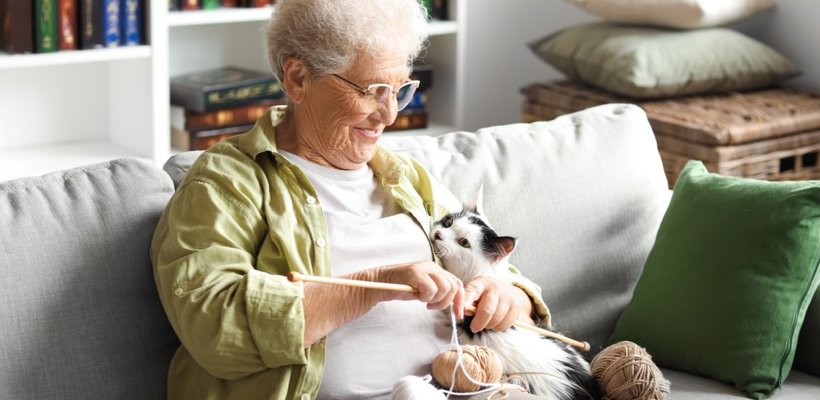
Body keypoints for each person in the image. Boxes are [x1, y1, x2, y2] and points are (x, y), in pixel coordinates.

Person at [150, 0, 550, 399]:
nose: (389, 115)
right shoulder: (227, 180)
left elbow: (505, 278)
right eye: (373, 91)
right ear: (298, 79)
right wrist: (372, 285)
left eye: (400, 90)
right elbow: (213, 328)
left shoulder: (403, 175)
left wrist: (507, 298)